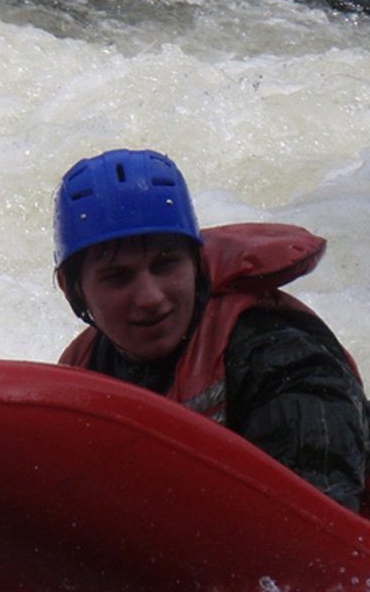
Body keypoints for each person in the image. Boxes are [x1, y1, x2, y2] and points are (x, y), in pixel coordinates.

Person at [53, 148, 370, 513]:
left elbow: (319, 525)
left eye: (165, 265)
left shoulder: (280, 355)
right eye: (118, 277)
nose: (151, 298)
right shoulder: (83, 370)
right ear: (71, 288)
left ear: (196, 262)